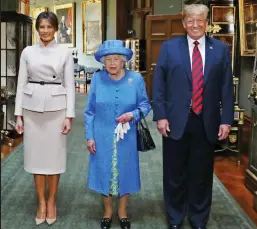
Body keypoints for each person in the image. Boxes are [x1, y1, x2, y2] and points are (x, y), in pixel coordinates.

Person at [152, 4, 234, 229]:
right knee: (174, 174)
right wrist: (160, 116)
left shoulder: (220, 50)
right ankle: (175, 218)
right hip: (175, 120)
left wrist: (226, 119)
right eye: (190, 20)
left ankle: (198, 219)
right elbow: (159, 84)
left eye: (199, 20)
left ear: (206, 23)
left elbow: (227, 88)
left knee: (201, 174)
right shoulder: (169, 48)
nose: (195, 24)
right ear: (183, 23)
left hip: (206, 122)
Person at [14, 11, 75, 225]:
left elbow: (69, 85)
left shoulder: (64, 52)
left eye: (49, 27)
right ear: (37, 29)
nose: (45, 31)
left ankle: (52, 201)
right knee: (36, 158)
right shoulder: (28, 52)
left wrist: (69, 115)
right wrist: (18, 114)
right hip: (31, 109)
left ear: (56, 29)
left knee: (54, 159)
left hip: (57, 109)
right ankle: (41, 201)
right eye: (42, 27)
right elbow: (20, 84)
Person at [84, 40, 151, 229]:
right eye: (108, 59)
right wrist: (90, 136)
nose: (112, 63)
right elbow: (89, 111)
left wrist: (133, 114)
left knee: (126, 171)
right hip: (101, 134)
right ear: (103, 62)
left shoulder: (135, 79)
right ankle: (107, 211)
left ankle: (122, 211)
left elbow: (146, 105)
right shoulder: (97, 79)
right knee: (103, 170)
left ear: (123, 61)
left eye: (116, 59)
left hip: (127, 136)